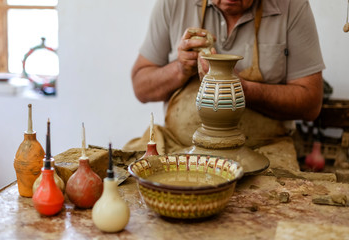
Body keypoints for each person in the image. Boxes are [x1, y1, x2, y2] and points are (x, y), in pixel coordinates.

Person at [124, 0, 325, 171]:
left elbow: (311, 104)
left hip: (263, 147)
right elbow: (141, 87)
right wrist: (180, 68)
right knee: (129, 178)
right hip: (178, 143)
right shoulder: (175, 3)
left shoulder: (292, 6)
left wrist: (243, 90)